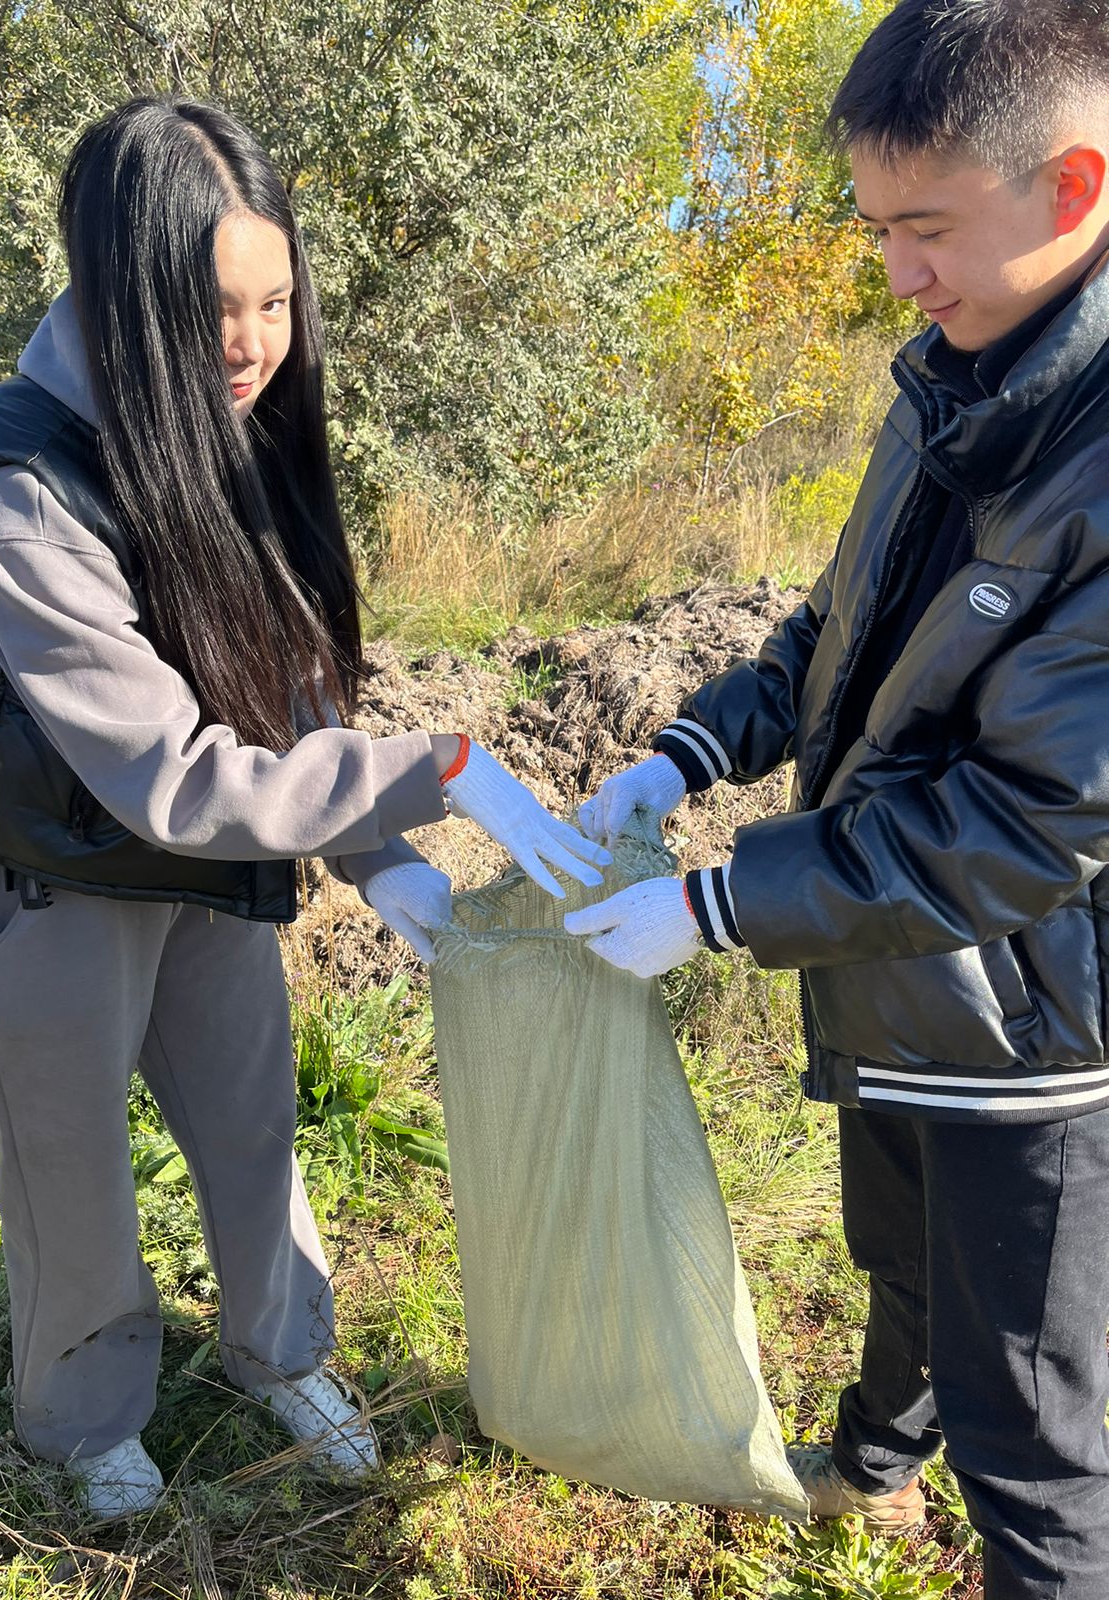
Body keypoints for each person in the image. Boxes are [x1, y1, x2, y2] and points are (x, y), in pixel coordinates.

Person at [0, 97, 609, 1521]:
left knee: (251, 1128)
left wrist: (374, 854)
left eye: (275, 301)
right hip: (55, 883)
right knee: (71, 1175)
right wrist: (437, 768)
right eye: (212, 310)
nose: (251, 343)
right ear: (126, 296)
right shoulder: (21, 490)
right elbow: (172, 775)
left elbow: (273, 675)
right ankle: (85, 1419)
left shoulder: (224, 424)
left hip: (208, 872)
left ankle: (278, 1352)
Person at [566, 2, 1109, 1595]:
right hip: (897, 977)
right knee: (902, 1266)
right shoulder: (951, 378)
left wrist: (723, 903)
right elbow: (840, 631)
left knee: (1038, 1442)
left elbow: (1032, 821)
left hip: (1037, 1036)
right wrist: (691, 749)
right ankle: (872, 1469)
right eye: (878, 231)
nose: (898, 273)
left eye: (926, 227)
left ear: (1074, 184)